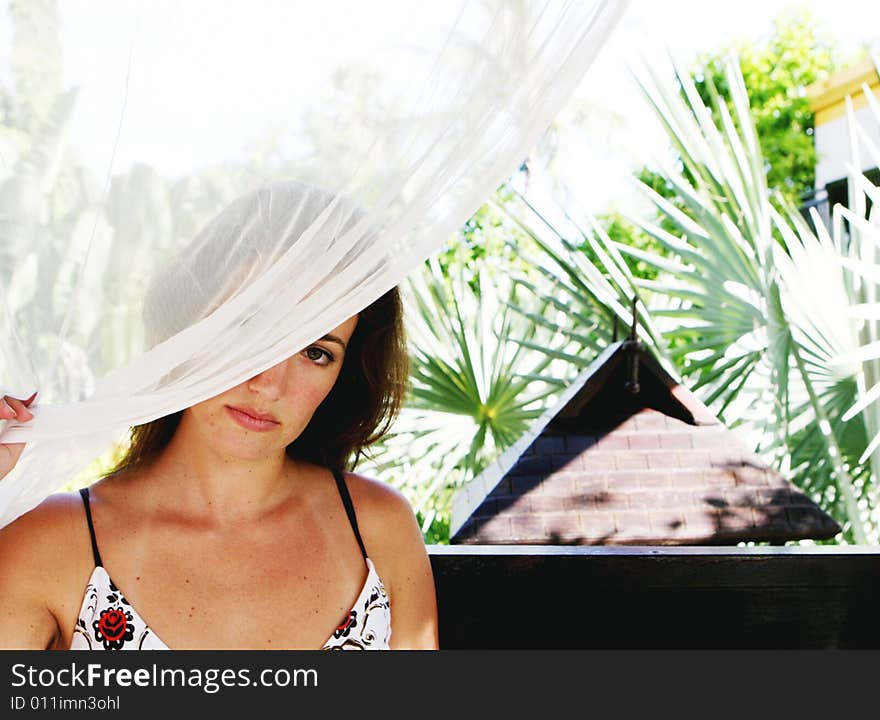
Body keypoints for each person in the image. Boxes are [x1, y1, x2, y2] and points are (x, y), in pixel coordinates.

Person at [0, 183, 439, 650]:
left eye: (315, 352)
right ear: (188, 323)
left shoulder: (378, 529)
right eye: (249, 325)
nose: (270, 384)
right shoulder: (48, 543)